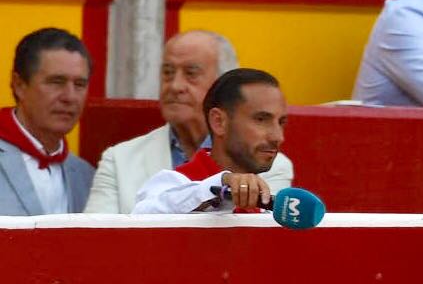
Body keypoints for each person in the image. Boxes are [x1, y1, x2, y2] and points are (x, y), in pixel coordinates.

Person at [85, 31, 294, 214]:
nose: (175, 85)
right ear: (218, 120)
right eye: (167, 73)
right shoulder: (119, 159)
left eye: (191, 73)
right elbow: (99, 234)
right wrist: (220, 184)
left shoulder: (273, 163)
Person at [132, 68, 288, 215]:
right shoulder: (174, 184)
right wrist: (221, 185)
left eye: (281, 122)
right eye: (261, 119)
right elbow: (144, 214)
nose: (277, 137)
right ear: (219, 122)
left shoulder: (266, 208)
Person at [0, 28, 94, 216]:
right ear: (19, 85)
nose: (70, 97)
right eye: (56, 82)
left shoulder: (88, 176)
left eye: (80, 84)